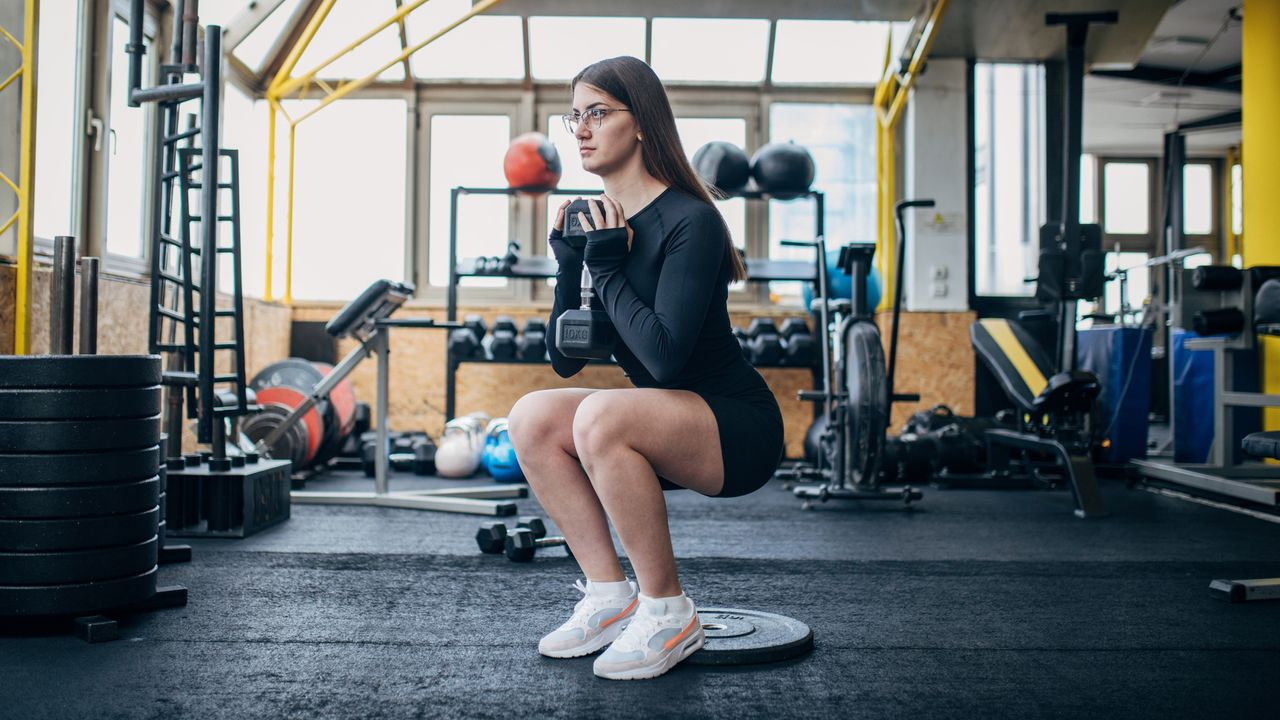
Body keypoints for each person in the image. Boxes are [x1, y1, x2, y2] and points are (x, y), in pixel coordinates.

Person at [506, 56, 784, 681]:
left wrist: (602, 266)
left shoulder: (691, 219)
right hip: (660, 417)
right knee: (530, 417)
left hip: (733, 426)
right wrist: (569, 262)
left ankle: (667, 611)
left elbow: (663, 357)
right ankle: (609, 597)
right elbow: (564, 359)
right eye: (575, 114)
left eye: (598, 112)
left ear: (642, 124)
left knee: (603, 414)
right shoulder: (601, 219)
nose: (581, 127)